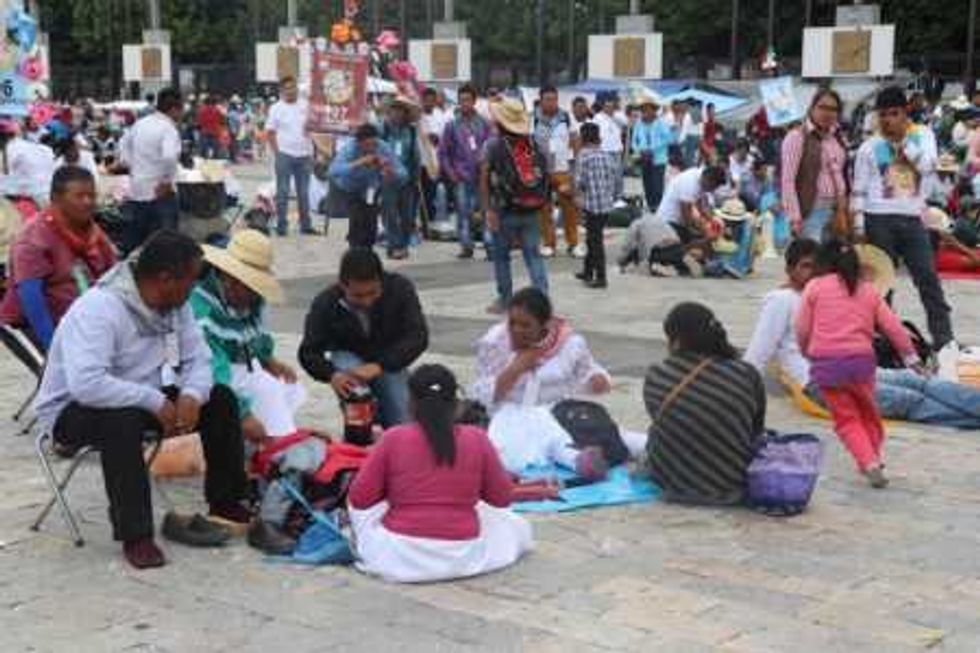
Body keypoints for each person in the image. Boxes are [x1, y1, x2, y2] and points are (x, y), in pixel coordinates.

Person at [33, 230, 252, 569]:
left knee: (220, 399)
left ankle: (226, 503)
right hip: (72, 410)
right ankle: (136, 535)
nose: (194, 288)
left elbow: (199, 359)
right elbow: (87, 384)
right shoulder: (99, 309)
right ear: (165, 279)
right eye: (190, 280)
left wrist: (192, 394)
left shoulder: (176, 305)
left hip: (138, 395)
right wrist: (153, 401)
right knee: (120, 422)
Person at [745, 238, 980, 429]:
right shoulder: (781, 300)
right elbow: (758, 353)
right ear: (789, 270)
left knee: (918, 381)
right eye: (805, 266)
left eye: (815, 267)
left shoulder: (826, 293)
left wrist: (911, 360)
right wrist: (740, 391)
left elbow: (889, 326)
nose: (811, 273)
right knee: (909, 400)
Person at [348, 364, 532, 584]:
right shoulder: (477, 438)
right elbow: (501, 499)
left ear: (410, 403)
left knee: (361, 511)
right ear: (456, 404)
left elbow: (359, 499)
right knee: (512, 524)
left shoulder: (393, 438)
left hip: (399, 555)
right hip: (462, 553)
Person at [796, 240, 919, 488]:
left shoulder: (815, 287)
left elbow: (802, 329)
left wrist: (807, 351)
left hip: (827, 364)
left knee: (847, 420)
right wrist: (911, 358)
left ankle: (868, 461)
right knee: (869, 415)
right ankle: (873, 457)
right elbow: (893, 327)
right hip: (861, 364)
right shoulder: (868, 290)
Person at [852, 85, 955, 350]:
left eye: (894, 113)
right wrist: (858, 226)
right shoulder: (869, 146)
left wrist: (903, 146)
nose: (889, 120)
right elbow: (859, 188)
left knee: (927, 277)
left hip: (912, 216)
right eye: (883, 115)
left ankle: (944, 339)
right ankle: (883, 341)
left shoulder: (923, 135)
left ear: (905, 112)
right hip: (877, 217)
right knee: (882, 284)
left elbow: (928, 166)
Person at [472, 288, 612, 476]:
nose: (517, 330)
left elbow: (589, 372)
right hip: (506, 415)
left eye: (526, 325)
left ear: (544, 325)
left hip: (557, 414)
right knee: (524, 435)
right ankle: (574, 460)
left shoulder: (568, 343)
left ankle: (584, 460)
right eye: (512, 323)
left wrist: (598, 381)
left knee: (615, 437)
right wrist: (515, 369)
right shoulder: (496, 341)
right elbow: (481, 394)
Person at [643, 302, 766, 506]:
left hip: (673, 482)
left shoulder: (658, 374)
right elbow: (755, 428)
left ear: (676, 340)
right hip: (732, 483)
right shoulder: (746, 373)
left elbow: (666, 423)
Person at [191, 229, 305, 445]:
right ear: (232, 280)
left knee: (281, 387)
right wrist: (243, 414)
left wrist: (268, 359)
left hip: (241, 368)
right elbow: (213, 369)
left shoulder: (250, 300)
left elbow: (254, 335)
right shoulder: (202, 308)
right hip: (212, 379)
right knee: (263, 399)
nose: (255, 296)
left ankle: (273, 444)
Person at [298, 247, 427, 430]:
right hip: (348, 358)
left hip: (390, 358)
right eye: (358, 296)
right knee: (353, 390)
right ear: (342, 285)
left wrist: (380, 365)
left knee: (402, 415)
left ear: (381, 280)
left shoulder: (400, 289)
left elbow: (418, 336)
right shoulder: (326, 302)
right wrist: (332, 375)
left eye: (373, 293)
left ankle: (392, 431)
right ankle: (359, 430)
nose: (367, 301)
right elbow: (308, 352)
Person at [0, 166, 116, 350]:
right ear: (56, 198)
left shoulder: (91, 230)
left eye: (91, 195)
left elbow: (113, 275)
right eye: (79, 196)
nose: (88, 202)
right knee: (54, 367)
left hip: (75, 320)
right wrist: (54, 347)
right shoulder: (34, 238)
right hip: (27, 325)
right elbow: (32, 299)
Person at [481, 98, 551, 314]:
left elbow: (483, 177)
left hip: (504, 210)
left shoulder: (493, 145)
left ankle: (505, 299)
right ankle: (542, 298)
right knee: (533, 255)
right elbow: (545, 173)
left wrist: (488, 209)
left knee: (502, 256)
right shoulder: (534, 143)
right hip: (531, 208)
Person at [117, 88, 183, 253]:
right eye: (180, 109)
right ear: (174, 109)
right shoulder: (168, 129)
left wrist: (131, 166)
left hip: (137, 190)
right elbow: (169, 157)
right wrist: (166, 181)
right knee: (164, 245)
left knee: (136, 240)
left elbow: (123, 144)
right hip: (159, 193)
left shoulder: (141, 123)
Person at [780, 88, 849, 242]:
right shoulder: (796, 137)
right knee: (813, 254)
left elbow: (842, 173)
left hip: (837, 209)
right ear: (812, 108)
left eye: (833, 109)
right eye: (822, 107)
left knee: (835, 255)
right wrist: (794, 218)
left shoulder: (837, 138)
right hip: (811, 209)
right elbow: (787, 181)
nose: (827, 113)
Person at [328, 123, 406, 249]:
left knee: (371, 223)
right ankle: (354, 251)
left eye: (374, 144)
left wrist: (391, 171)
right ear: (358, 142)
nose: (371, 148)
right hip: (350, 188)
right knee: (357, 220)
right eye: (367, 145)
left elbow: (403, 173)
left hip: (371, 189)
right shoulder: (349, 149)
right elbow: (332, 171)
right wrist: (359, 162)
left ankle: (368, 252)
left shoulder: (382, 147)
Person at [438, 85, 491, 259]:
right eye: (461, 100)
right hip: (461, 176)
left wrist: (488, 168)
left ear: (474, 101)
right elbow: (443, 152)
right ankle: (466, 245)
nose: (464, 103)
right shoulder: (451, 126)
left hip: (482, 176)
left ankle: (489, 244)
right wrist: (450, 172)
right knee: (463, 212)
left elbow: (491, 147)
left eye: (468, 100)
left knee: (485, 211)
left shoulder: (484, 123)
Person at [533, 85, 581, 259]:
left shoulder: (566, 117)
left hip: (563, 169)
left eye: (554, 99)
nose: (551, 103)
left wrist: (575, 164)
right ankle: (549, 244)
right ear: (541, 100)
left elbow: (575, 139)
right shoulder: (533, 119)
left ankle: (573, 243)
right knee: (544, 209)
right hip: (542, 170)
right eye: (548, 99)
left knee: (569, 207)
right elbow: (529, 143)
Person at [267, 77, 316, 236]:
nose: (291, 91)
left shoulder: (306, 105)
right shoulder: (276, 108)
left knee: (304, 192)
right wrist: (277, 152)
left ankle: (306, 225)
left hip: (305, 154)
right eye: (287, 88)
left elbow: (314, 126)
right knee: (283, 191)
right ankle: (282, 225)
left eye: (293, 87)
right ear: (282, 91)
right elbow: (270, 132)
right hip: (285, 154)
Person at [573, 122, 618, 289]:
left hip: (591, 204)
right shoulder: (606, 155)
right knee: (592, 238)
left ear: (583, 138)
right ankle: (587, 271)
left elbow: (580, 181)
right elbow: (614, 179)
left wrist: (577, 197)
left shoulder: (583, 155)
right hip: (605, 204)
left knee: (595, 241)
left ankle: (601, 277)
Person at [380, 96, 421, 260]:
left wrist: (416, 176)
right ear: (389, 112)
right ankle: (394, 245)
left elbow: (415, 155)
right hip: (387, 178)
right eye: (394, 110)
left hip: (407, 179)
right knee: (390, 214)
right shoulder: (383, 129)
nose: (397, 114)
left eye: (400, 111)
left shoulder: (411, 131)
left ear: (405, 114)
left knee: (407, 216)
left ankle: (403, 244)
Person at [631, 93, 673, 211]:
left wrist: (652, 148)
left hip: (658, 158)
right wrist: (638, 149)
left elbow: (668, 139)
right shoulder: (639, 123)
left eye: (648, 109)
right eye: (643, 109)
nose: (645, 112)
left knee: (657, 184)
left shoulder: (661, 122)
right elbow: (634, 140)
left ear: (654, 110)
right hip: (644, 157)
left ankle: (658, 206)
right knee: (647, 182)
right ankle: (651, 205)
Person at [197, 95, 226, 160]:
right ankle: (214, 160)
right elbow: (222, 121)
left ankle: (204, 160)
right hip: (215, 132)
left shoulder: (202, 110)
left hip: (205, 132)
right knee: (215, 149)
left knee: (204, 149)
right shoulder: (218, 110)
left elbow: (199, 122)